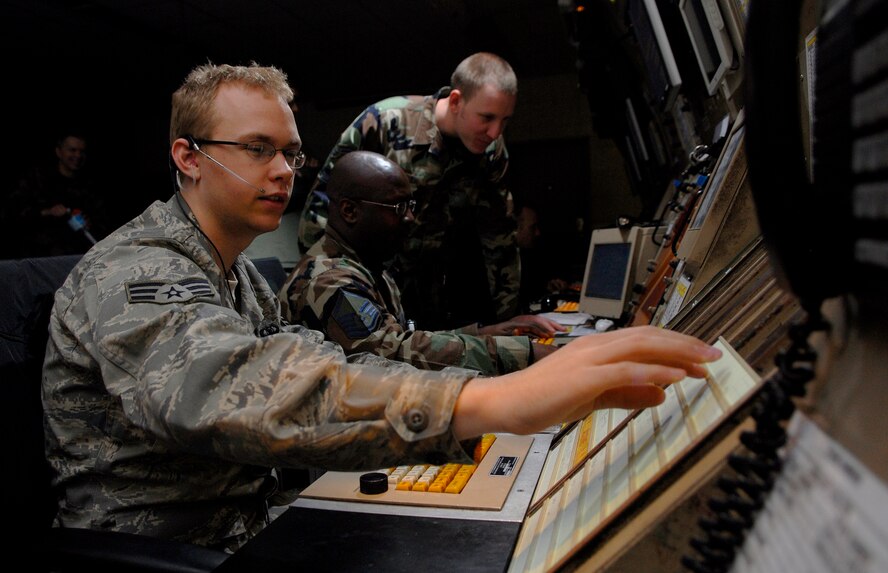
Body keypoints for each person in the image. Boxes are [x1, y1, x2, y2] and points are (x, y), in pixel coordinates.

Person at [42, 62, 722, 552]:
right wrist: (490, 400)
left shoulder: (238, 274)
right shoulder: (136, 268)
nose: (283, 170)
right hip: (163, 547)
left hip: (249, 522)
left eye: (291, 152)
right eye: (256, 149)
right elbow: (230, 384)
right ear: (187, 157)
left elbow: (322, 359)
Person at [281, 151, 564, 376]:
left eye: (411, 207)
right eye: (398, 208)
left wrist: (484, 333)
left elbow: (404, 340)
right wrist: (517, 352)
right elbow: (393, 353)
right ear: (350, 211)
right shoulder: (329, 279)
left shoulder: (368, 265)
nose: (410, 219)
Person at [296, 52, 522, 331]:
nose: (495, 132)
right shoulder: (386, 120)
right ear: (455, 101)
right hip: (369, 280)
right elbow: (323, 205)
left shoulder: (491, 153)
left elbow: (500, 238)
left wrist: (506, 323)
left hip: (431, 285)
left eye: (505, 120)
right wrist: (327, 284)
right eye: (486, 117)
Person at [4, 131, 110, 258]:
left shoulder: (89, 185)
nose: (78, 155)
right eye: (72, 150)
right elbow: (10, 213)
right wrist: (47, 212)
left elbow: (103, 223)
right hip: (39, 259)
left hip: (77, 258)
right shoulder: (37, 179)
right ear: (59, 152)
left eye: (81, 151)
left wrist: (89, 223)